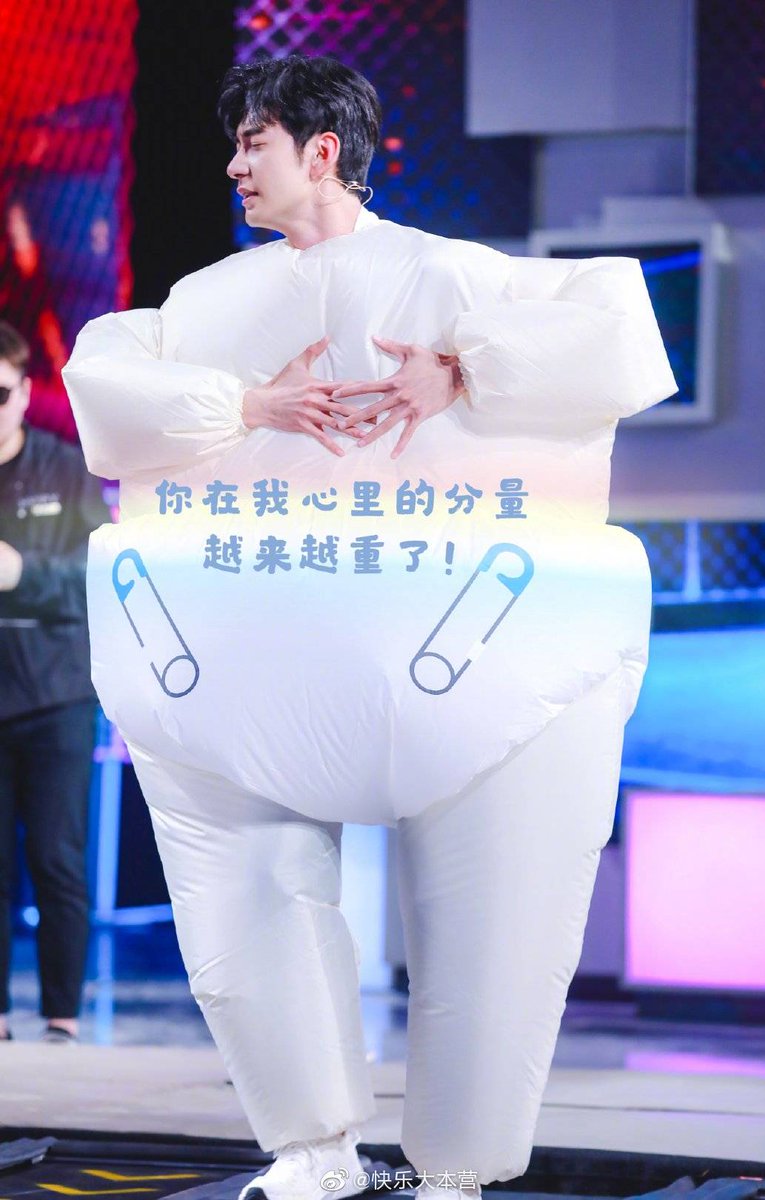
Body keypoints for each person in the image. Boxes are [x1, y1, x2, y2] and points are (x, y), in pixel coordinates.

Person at [62, 54, 677, 1200]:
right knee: (245, 910)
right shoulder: (205, 303)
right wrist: (247, 402)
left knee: (496, 925)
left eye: (252, 142)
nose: (234, 166)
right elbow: (103, 381)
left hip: (478, 651)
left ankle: (458, 1167)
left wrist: (468, 368)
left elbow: (614, 332)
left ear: (322, 150)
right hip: (242, 663)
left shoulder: (456, 277)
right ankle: (312, 1150)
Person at [0, 318, 108, 1043]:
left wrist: (20, 573)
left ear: (24, 390)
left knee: (56, 857)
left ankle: (62, 1019)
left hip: (56, 696)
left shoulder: (66, 469)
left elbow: (97, 578)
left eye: (0, 393)